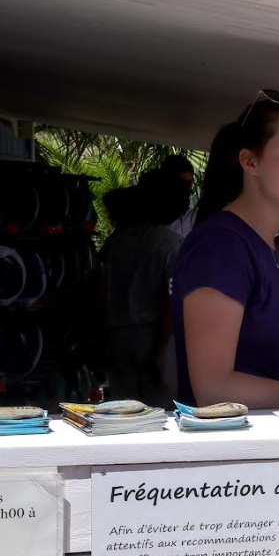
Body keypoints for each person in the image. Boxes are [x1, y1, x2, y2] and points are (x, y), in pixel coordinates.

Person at [169, 89, 279, 408]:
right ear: (250, 161)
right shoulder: (222, 247)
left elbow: (261, 324)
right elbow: (213, 389)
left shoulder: (262, 244)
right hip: (240, 450)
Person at [99, 170, 189, 406]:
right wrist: (161, 349)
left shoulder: (118, 240)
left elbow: (100, 287)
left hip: (117, 333)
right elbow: (170, 300)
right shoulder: (172, 244)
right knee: (160, 408)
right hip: (154, 333)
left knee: (122, 406)